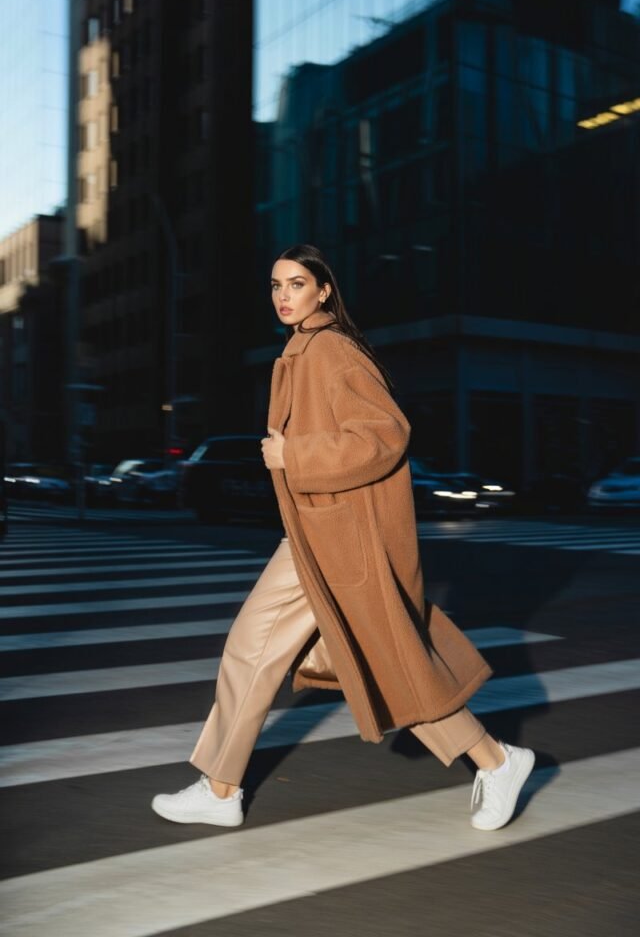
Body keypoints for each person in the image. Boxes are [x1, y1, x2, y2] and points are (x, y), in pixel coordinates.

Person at [152, 244, 534, 831]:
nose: (283, 296)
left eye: (296, 284)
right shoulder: (301, 350)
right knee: (337, 658)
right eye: (276, 285)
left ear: (323, 290)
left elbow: (386, 433)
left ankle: (497, 760)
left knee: (356, 659)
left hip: (340, 538)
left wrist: (295, 454)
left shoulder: (331, 350)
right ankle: (222, 789)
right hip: (317, 533)